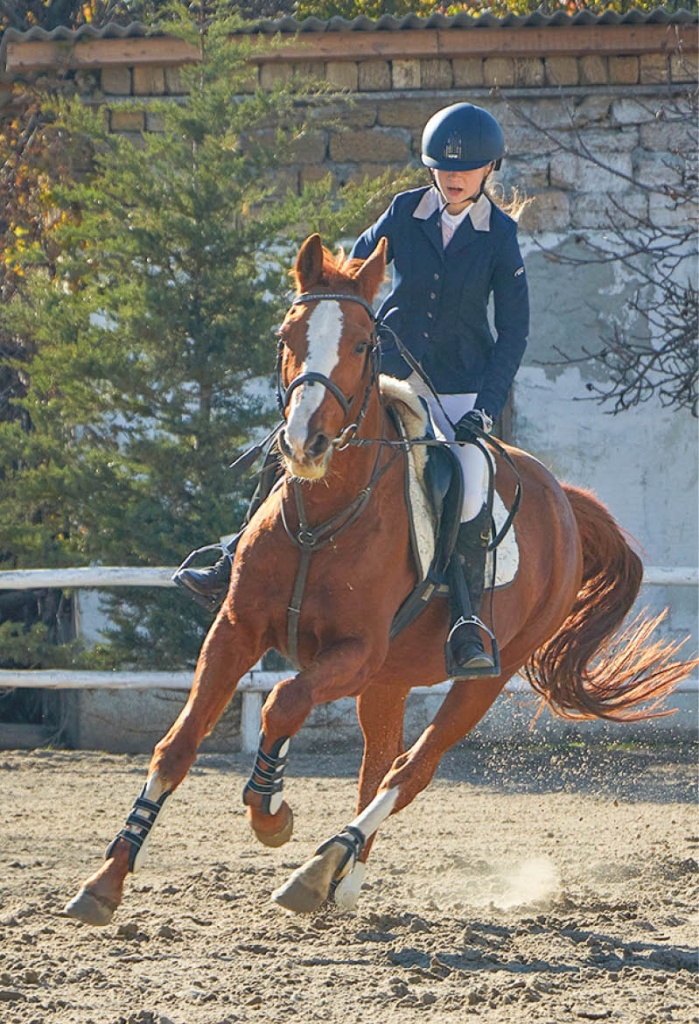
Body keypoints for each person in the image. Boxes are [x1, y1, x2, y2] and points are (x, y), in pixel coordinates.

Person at [175, 101, 529, 679]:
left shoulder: (500, 237)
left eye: (467, 169)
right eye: (443, 167)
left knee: (468, 484)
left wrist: (485, 409)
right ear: (430, 167)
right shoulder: (401, 213)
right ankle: (232, 555)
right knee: (293, 440)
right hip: (386, 375)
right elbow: (350, 270)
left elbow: (514, 330)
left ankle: (465, 619)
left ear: (490, 170)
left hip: (460, 391)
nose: (454, 176)